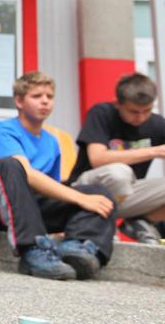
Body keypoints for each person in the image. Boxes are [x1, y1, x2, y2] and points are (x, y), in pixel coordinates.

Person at [0, 72, 116, 280]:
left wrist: (84, 198)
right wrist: (81, 199)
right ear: (19, 101)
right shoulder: (3, 131)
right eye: (37, 96)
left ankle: (79, 248)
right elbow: (28, 174)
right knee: (12, 165)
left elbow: (50, 189)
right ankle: (32, 249)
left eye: (49, 97)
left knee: (98, 192)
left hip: (26, 209)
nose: (45, 101)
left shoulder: (52, 143)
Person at [67, 73, 165, 245]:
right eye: (134, 111)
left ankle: (140, 222)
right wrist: (154, 151)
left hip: (128, 193)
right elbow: (97, 158)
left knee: (124, 177)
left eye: (147, 111)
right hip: (85, 191)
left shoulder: (157, 123)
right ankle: (102, 226)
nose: (141, 117)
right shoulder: (101, 113)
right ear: (118, 103)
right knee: (120, 172)